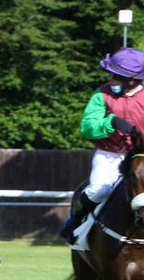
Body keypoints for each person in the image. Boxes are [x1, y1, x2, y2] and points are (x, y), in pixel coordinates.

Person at [61, 47, 144, 241]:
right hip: (110, 155)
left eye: (115, 76)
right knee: (100, 190)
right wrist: (111, 122)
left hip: (141, 156)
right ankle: (75, 222)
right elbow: (87, 127)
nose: (110, 80)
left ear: (131, 80)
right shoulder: (101, 94)